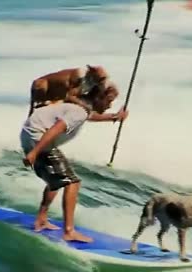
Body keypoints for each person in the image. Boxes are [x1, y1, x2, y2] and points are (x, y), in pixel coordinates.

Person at [20, 84, 128, 242]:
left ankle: (41, 218)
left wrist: (114, 117)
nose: (110, 105)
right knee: (73, 182)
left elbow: (90, 116)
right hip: (38, 137)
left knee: (56, 180)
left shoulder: (79, 109)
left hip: (30, 135)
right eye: (109, 100)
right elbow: (56, 129)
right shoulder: (78, 112)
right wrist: (35, 152)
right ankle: (69, 231)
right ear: (98, 97)